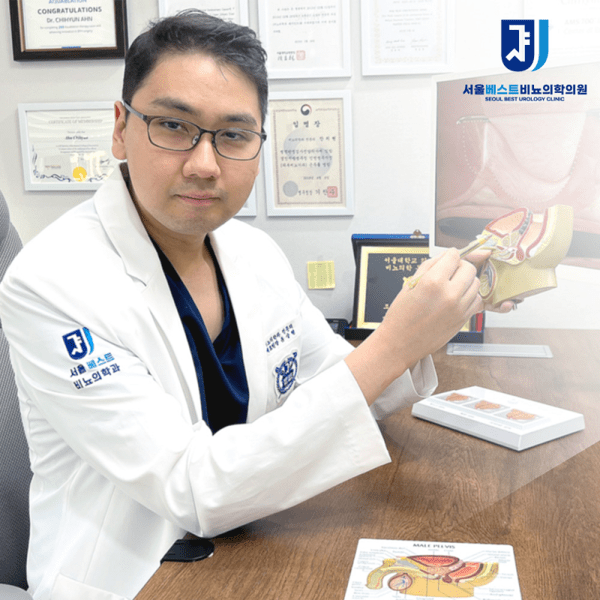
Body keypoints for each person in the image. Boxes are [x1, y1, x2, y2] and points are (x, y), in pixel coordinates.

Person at [0, 10, 512, 600]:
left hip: (251, 551)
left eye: (234, 135)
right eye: (173, 126)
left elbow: (351, 387)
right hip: (132, 578)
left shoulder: (253, 252)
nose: (204, 164)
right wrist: (396, 341)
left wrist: (436, 318)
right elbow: (190, 485)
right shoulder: (51, 282)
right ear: (121, 128)